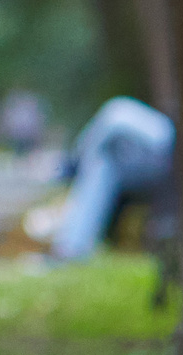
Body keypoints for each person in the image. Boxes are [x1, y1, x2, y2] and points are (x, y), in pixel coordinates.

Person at [50, 96, 176, 262]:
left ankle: (71, 248)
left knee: (100, 162)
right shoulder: (117, 117)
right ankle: (71, 247)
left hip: (162, 151)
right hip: (152, 151)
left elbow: (160, 139)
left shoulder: (116, 112)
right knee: (102, 165)